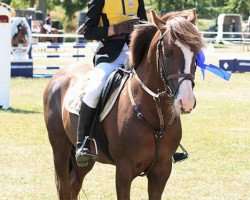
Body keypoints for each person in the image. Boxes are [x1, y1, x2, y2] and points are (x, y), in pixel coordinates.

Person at [75, 0, 147, 167]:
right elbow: (89, 32)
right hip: (110, 56)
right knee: (95, 88)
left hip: (136, 54)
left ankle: (167, 140)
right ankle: (83, 143)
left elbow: (144, 25)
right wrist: (117, 29)